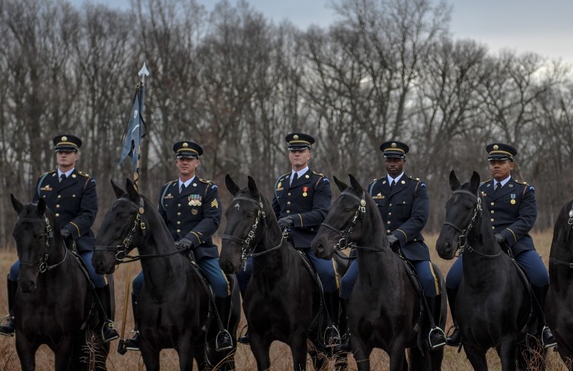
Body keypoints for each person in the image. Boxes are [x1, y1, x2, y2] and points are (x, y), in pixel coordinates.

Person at [0, 134, 118, 342]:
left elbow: (88, 214)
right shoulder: (44, 181)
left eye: (68, 152)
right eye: (60, 152)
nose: (63, 155)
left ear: (75, 156)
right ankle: (13, 317)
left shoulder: (86, 182)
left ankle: (106, 323)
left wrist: (68, 230)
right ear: (56, 156)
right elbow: (35, 211)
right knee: (15, 270)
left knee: (97, 274)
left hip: (78, 241)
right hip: (45, 244)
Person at [121, 140, 233, 353]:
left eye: (189, 159)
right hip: (168, 253)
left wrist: (191, 239)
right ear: (175, 162)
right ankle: (139, 331)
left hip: (199, 251)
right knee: (138, 284)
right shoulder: (167, 190)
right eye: (181, 159)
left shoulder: (207, 189)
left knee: (221, 284)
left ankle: (221, 333)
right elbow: (159, 222)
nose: (184, 162)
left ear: (196, 163)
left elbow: (213, 220)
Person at [445, 142, 555, 349]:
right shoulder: (480, 190)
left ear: (511, 165)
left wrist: (505, 236)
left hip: (516, 245)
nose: (496, 166)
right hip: (480, 250)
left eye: (501, 162)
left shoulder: (523, 190)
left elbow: (527, 219)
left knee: (541, 277)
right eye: (493, 162)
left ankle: (543, 327)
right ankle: (460, 328)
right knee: (451, 280)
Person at [237, 132, 341, 348]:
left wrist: (294, 219)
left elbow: (322, 213)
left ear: (309, 155)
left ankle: (331, 325)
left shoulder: (318, 182)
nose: (296, 154)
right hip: (281, 245)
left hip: (308, 242)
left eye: (301, 151)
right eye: (293, 151)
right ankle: (253, 323)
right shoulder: (282, 182)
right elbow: (273, 212)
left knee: (328, 273)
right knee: (245, 270)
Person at [339, 140, 447, 348]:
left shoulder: (416, 187)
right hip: (373, 251)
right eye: (389, 159)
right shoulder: (373, 187)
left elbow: (419, 218)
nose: (392, 163)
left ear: (404, 161)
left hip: (408, 247)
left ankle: (432, 330)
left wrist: (397, 236)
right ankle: (346, 331)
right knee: (346, 282)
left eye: (396, 159)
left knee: (429, 279)